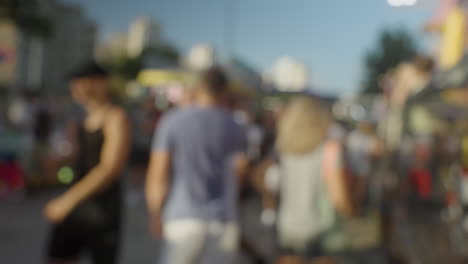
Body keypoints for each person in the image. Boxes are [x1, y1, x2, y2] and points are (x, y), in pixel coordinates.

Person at [146, 67, 249, 264]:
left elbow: (158, 173)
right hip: (223, 219)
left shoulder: (172, 121)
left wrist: (155, 212)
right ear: (224, 91)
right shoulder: (235, 126)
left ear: (198, 88)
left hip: (182, 216)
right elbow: (240, 171)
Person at [43, 62, 131, 264]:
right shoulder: (79, 119)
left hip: (101, 210)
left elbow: (110, 168)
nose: (74, 87)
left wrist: (67, 201)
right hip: (75, 207)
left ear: (100, 83)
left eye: (80, 82)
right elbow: (75, 157)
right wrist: (56, 162)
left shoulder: (116, 117)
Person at [256, 96, 353, 264]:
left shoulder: (282, 150)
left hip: (287, 227)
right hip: (323, 230)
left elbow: (263, 179)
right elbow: (339, 199)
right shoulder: (330, 150)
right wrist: (352, 212)